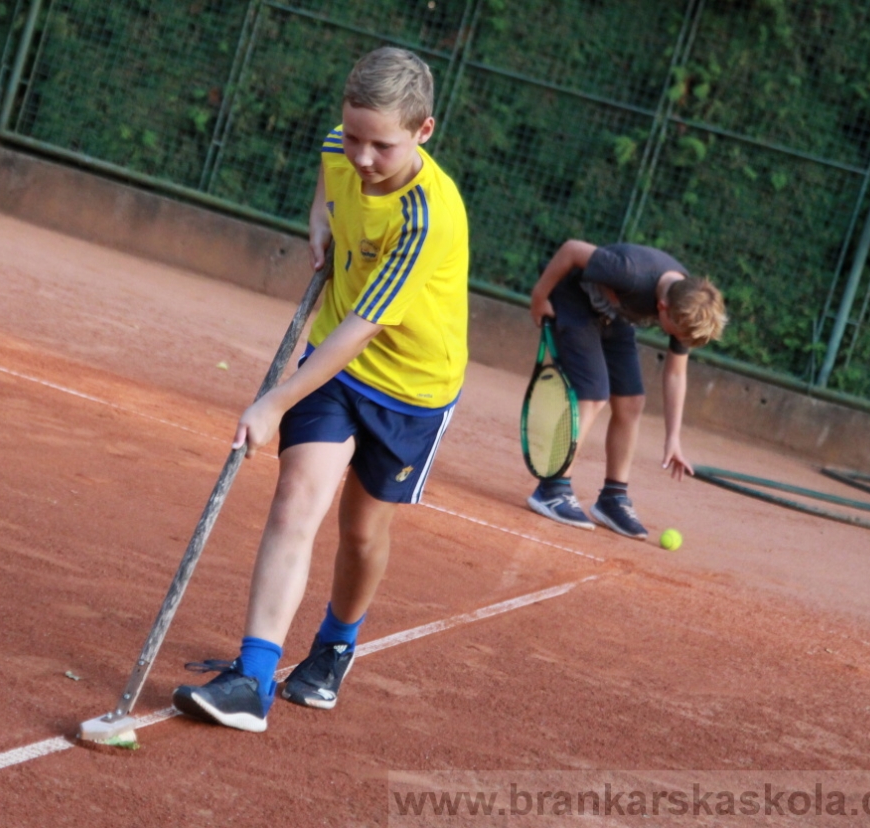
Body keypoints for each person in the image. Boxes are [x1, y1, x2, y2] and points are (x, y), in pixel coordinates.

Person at [171, 47, 469, 733]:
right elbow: (331, 173)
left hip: (410, 385)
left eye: (383, 146)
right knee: (296, 497)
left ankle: (336, 643)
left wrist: (274, 399)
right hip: (335, 363)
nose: (363, 157)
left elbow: (362, 331)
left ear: (425, 132)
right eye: (355, 135)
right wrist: (319, 219)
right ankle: (253, 678)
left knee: (362, 532)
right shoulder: (343, 144)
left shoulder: (428, 216)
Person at [525, 241, 727, 539]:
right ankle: (552, 488)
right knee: (593, 395)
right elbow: (570, 250)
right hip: (574, 300)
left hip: (612, 313)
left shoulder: (687, 303)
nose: (677, 340)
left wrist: (673, 438)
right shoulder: (629, 273)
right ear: (662, 308)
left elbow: (675, 373)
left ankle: (612, 498)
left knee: (632, 402)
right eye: (675, 333)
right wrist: (539, 297)